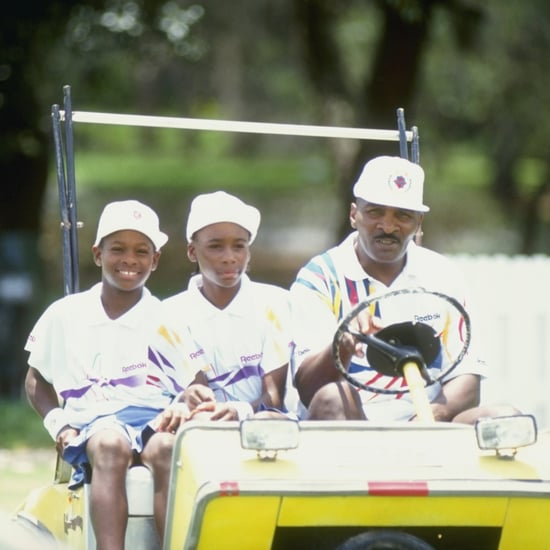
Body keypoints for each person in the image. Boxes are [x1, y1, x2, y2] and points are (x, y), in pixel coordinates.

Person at [24, 200, 202, 550]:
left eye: (141, 251)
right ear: (97, 253)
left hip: (152, 417)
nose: (129, 260)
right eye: (117, 249)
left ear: (155, 259)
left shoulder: (168, 318)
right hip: (93, 422)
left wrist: (183, 405)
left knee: (168, 448)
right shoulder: (65, 314)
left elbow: (197, 383)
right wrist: (59, 425)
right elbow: (35, 380)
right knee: (109, 445)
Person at [290, 156, 519, 422]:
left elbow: (468, 379)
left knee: (507, 417)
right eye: (375, 211)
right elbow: (309, 390)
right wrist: (343, 343)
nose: (388, 226)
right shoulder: (320, 277)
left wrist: (430, 416)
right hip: (352, 428)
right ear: (354, 215)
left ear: (419, 223)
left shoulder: (442, 274)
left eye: (403, 215)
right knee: (334, 397)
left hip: (427, 421)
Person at [150, 190, 292, 420]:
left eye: (239, 246)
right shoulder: (170, 315)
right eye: (215, 246)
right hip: (203, 424)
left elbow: (274, 395)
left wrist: (241, 411)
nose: (229, 257)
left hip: (265, 423)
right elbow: (199, 394)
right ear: (192, 251)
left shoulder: (276, 304)